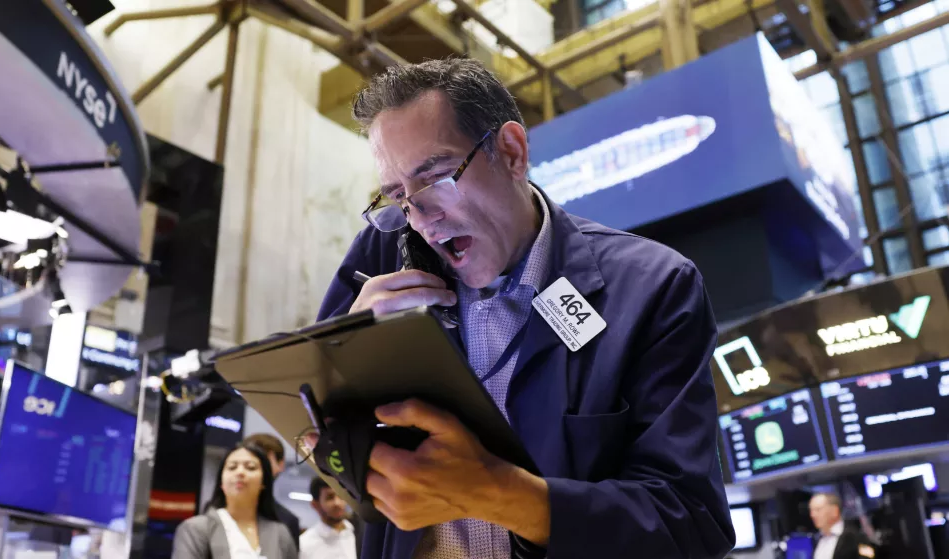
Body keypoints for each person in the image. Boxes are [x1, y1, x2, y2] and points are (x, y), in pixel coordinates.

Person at [315, 58, 735, 558]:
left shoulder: (651, 288)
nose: (421, 218)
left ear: (511, 152)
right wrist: (349, 356)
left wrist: (499, 494)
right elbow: (312, 426)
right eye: (400, 195)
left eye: (437, 178)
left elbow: (691, 522)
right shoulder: (384, 255)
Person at [172, 443, 296, 559]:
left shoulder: (280, 534)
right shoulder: (195, 529)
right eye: (232, 467)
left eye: (250, 467)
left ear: (264, 482)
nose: (240, 472)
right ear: (221, 483)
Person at [244, 432, 302, 547]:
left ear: (280, 465)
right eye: (251, 462)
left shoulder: (288, 522)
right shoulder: (219, 512)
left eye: (265, 461)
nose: (258, 467)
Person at [299, 478, 358, 559]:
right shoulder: (304, 544)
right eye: (330, 497)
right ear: (315, 505)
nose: (337, 503)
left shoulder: (357, 534)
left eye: (341, 496)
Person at [810, 493, 877, 559]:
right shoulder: (818, 539)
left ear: (834, 511)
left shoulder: (857, 537)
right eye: (811, 510)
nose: (812, 515)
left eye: (818, 510)